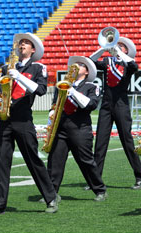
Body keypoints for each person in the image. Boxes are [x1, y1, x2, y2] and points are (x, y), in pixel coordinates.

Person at [0, 33, 59, 216]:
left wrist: (19, 76)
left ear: (33, 49)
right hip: (5, 119)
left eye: (26, 43)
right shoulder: (7, 68)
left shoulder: (38, 67)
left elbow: (40, 90)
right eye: (21, 43)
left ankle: (51, 197)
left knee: (33, 159)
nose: (22, 45)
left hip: (23, 120)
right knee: (0, 161)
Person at [45, 56, 107, 201]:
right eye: (75, 64)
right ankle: (51, 192)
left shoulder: (92, 86)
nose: (76, 66)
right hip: (61, 128)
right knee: (55, 161)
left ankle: (100, 190)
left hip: (80, 129)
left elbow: (90, 105)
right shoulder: (62, 85)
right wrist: (51, 114)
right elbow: (55, 104)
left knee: (86, 161)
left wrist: (72, 91)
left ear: (86, 71)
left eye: (80, 65)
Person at [89, 36, 141, 189]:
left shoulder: (128, 64)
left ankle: (140, 176)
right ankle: (95, 179)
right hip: (106, 105)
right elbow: (90, 62)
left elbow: (134, 66)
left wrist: (120, 53)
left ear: (126, 51)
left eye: (121, 46)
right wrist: (103, 48)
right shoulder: (108, 62)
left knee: (127, 142)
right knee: (100, 143)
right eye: (117, 45)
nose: (117, 47)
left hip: (121, 105)